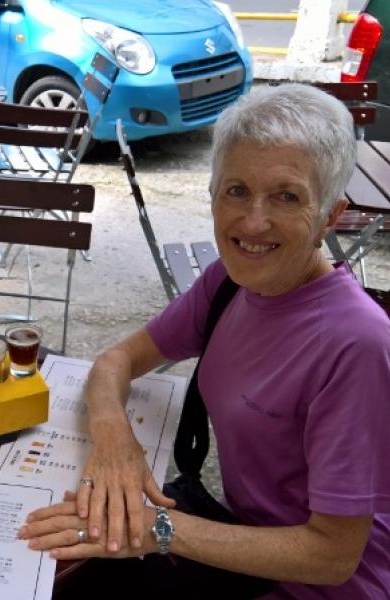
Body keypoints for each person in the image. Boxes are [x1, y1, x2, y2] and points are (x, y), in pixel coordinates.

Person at [19, 84, 390, 598]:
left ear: (330, 213)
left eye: (287, 196)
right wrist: (114, 441)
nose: (253, 222)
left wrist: (156, 531)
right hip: (239, 544)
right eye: (236, 190)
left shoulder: (356, 344)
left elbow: (333, 556)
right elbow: (118, 359)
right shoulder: (229, 282)